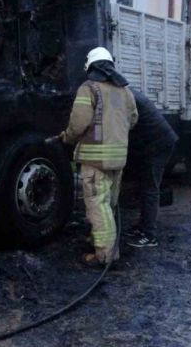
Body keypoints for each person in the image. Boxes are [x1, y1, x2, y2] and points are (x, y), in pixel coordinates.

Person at [56, 47, 138, 265]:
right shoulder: (125, 91)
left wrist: (67, 137)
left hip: (95, 161)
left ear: (91, 67)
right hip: (119, 159)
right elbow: (133, 119)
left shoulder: (89, 88)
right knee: (108, 206)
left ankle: (104, 255)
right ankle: (100, 243)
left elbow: (79, 123)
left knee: (97, 206)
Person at [123, 89, 178, 248]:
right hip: (153, 144)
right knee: (145, 186)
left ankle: (149, 235)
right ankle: (142, 227)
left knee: (150, 188)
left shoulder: (125, 98)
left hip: (158, 145)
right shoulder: (127, 93)